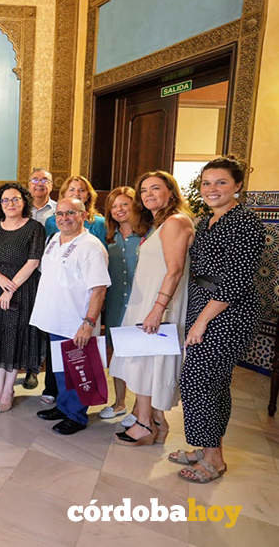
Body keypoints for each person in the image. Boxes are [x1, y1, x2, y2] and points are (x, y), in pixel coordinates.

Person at [172, 157, 265, 482]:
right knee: (211, 381)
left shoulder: (246, 223)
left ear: (237, 185)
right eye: (207, 183)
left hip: (230, 310)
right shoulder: (204, 221)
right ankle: (204, 446)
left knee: (199, 380)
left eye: (221, 182)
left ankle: (214, 459)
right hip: (202, 304)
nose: (212, 189)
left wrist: (201, 323)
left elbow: (235, 280)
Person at [110, 171, 194, 446]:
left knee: (146, 364)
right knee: (143, 362)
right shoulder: (160, 223)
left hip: (159, 305)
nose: (148, 194)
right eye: (144, 190)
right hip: (149, 302)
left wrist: (158, 309)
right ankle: (156, 420)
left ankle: (145, 424)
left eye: (155, 188)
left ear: (171, 191)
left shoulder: (176, 222)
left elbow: (175, 270)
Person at [31, 198, 110, 435]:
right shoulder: (53, 239)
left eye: (71, 213)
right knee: (61, 372)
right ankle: (64, 408)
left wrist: (88, 323)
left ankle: (76, 416)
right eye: (61, 214)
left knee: (78, 371)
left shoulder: (91, 247)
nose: (64, 218)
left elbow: (99, 289)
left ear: (84, 215)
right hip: (53, 318)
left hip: (76, 321)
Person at [0, 183, 45, 412]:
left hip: (21, 289)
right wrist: (0, 280)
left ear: (24, 201)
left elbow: (33, 262)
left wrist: (10, 288)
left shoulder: (34, 228)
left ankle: (8, 390)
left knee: (14, 336)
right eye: (5, 200)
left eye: (15, 199)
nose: (10, 204)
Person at [98, 187, 145, 421]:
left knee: (139, 355)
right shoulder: (109, 238)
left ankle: (140, 409)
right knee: (117, 353)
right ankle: (118, 403)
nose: (119, 210)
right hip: (116, 302)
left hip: (142, 304)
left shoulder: (149, 235)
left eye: (124, 204)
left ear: (135, 205)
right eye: (114, 206)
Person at [24, 167, 57, 390]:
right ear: (29, 184)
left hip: (51, 275)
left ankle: (42, 372)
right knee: (28, 322)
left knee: (47, 323)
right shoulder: (19, 208)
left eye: (45, 180)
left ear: (51, 185)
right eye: (35, 179)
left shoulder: (59, 211)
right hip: (23, 274)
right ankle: (30, 368)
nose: (39, 183)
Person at [43, 175, 107, 244]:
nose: (76, 194)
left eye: (82, 190)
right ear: (64, 193)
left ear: (88, 195)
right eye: (72, 190)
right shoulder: (51, 222)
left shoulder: (100, 223)